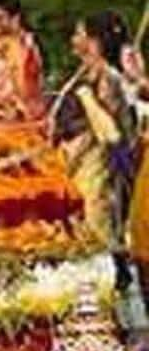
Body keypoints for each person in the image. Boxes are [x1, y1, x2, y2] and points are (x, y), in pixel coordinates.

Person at [53, 13, 134, 259]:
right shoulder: (85, 74)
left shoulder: (108, 78)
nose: (73, 39)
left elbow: (111, 133)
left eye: (79, 34)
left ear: (95, 42)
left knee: (100, 237)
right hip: (74, 169)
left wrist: (87, 98)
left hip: (95, 173)